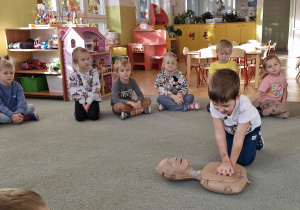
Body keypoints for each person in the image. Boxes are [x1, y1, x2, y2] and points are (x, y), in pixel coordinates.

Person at [208, 69, 263, 176]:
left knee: (244, 161)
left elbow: (239, 137)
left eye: (226, 106)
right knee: (227, 155)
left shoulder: (244, 105)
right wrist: (225, 161)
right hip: (230, 129)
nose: (220, 110)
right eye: (216, 105)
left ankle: (257, 138)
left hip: (249, 129)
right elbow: (219, 133)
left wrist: (231, 165)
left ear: (237, 96)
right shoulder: (213, 104)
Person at [0, 60, 38, 124]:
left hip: (15, 108)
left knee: (31, 107)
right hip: (2, 110)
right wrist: (12, 115)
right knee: (2, 117)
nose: (9, 75)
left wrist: (19, 113)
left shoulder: (17, 85)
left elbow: (22, 101)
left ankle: (17, 117)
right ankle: (23, 117)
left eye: (11, 73)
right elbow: (0, 106)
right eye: (5, 73)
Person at [69, 47, 101, 121]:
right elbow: (74, 89)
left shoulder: (94, 73)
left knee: (94, 116)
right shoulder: (73, 74)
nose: (87, 61)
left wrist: (88, 103)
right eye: (83, 59)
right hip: (80, 98)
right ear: (76, 61)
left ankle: (95, 110)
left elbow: (95, 88)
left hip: (92, 97)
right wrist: (83, 104)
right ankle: (80, 111)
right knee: (79, 118)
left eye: (88, 58)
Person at [207, 39, 238, 112]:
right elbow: (210, 79)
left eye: (227, 54)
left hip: (228, 89)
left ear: (230, 53)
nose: (224, 56)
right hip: (217, 90)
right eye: (221, 54)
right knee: (210, 107)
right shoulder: (213, 65)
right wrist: (213, 89)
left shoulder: (232, 64)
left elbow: (234, 78)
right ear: (217, 52)